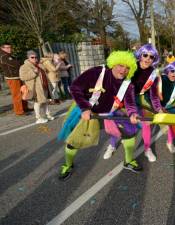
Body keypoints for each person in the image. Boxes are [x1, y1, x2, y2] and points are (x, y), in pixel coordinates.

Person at [58, 51, 140, 180]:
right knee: (75, 140)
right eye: (120, 65)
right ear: (113, 64)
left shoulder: (128, 84)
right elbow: (75, 87)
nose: (123, 70)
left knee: (129, 133)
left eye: (127, 67)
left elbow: (130, 103)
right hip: (88, 112)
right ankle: (68, 165)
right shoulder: (97, 72)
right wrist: (84, 108)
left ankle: (128, 161)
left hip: (110, 113)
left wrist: (133, 113)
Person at [103, 44, 162, 163]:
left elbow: (154, 95)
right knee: (116, 121)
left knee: (146, 123)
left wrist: (158, 108)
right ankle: (112, 145)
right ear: (140, 55)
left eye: (151, 57)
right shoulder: (130, 66)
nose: (147, 59)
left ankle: (147, 148)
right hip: (121, 98)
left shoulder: (153, 74)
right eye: (145, 55)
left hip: (138, 99)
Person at [19, 50, 54, 124]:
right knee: (37, 102)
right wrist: (33, 72)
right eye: (32, 57)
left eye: (36, 57)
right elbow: (22, 77)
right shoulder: (24, 67)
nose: (34, 59)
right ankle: (38, 118)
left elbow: (45, 73)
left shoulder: (39, 65)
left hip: (44, 86)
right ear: (28, 58)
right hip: (35, 87)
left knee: (45, 101)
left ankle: (48, 115)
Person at [0, 43, 29, 115]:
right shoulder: (4, 56)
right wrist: (21, 62)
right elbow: (15, 64)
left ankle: (25, 108)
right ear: (2, 48)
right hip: (12, 78)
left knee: (23, 92)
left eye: (10, 47)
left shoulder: (9, 55)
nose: (9, 49)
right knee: (17, 95)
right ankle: (19, 111)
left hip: (18, 76)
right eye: (7, 48)